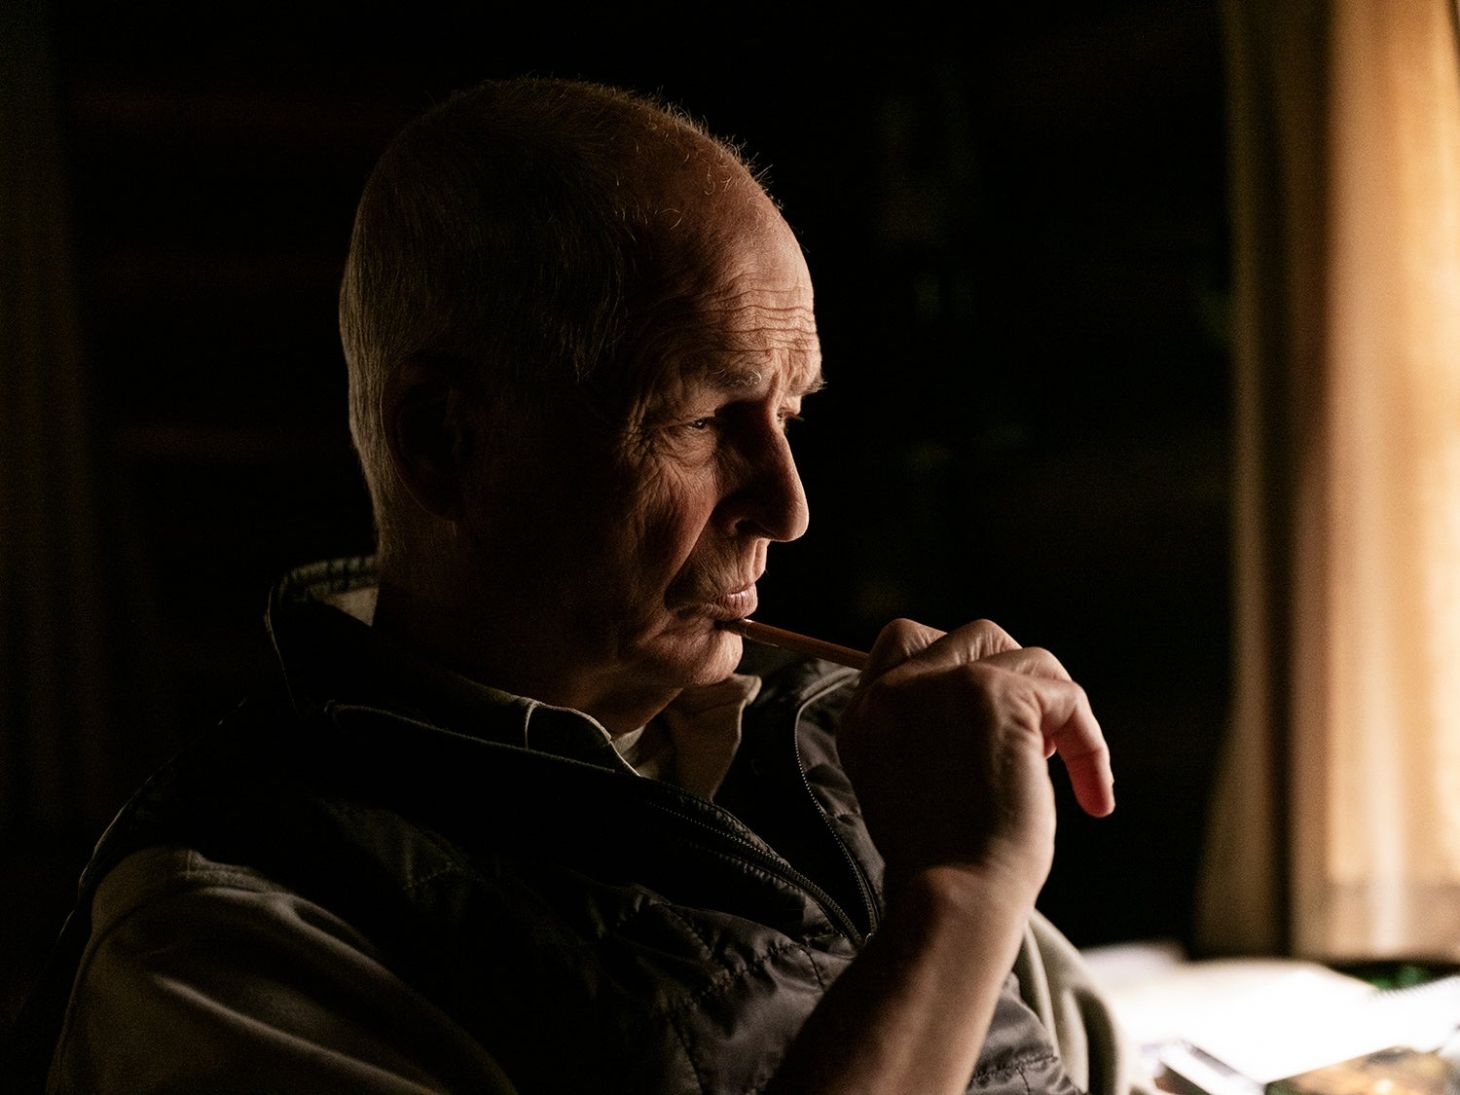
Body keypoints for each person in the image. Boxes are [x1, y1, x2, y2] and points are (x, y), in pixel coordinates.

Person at [18, 78, 1135, 1093]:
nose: (787, 508)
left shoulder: (842, 759)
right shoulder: (229, 929)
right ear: (447, 442)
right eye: (702, 421)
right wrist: (953, 897)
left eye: (788, 416)